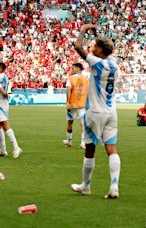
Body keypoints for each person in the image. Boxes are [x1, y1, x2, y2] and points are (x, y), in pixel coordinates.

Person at [71, 24, 121, 199]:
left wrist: (84, 29)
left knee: (90, 149)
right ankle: (114, 186)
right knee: (111, 149)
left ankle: (86, 186)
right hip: (111, 113)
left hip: (95, 113)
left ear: (99, 50)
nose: (92, 49)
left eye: (95, 47)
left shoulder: (97, 63)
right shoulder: (114, 64)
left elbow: (77, 47)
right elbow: (105, 49)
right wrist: (97, 36)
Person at [62, 63, 89, 149]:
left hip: (73, 104)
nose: (72, 69)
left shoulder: (71, 78)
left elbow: (68, 90)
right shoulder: (86, 79)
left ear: (78, 68)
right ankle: (83, 142)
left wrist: (67, 102)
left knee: (70, 122)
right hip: (82, 104)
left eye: (73, 68)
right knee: (83, 124)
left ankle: (69, 141)